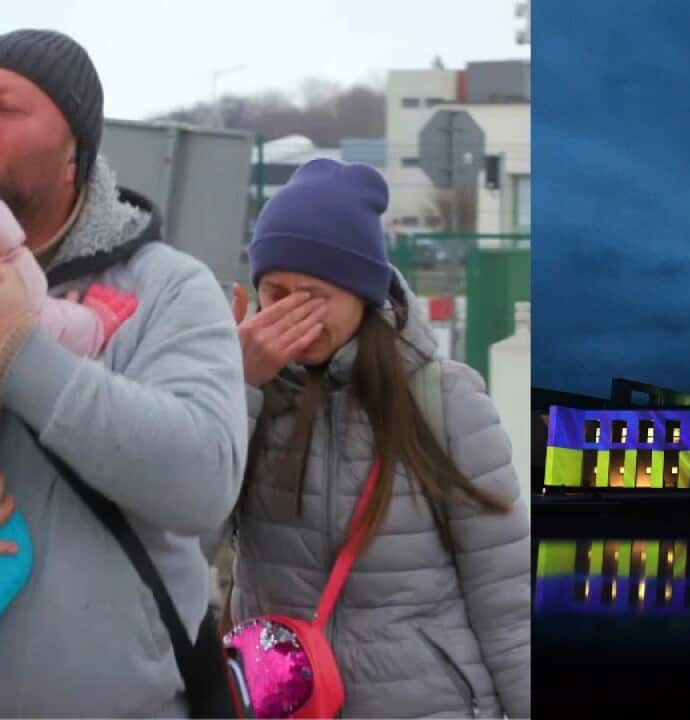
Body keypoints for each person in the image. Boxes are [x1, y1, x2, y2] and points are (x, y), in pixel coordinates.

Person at [0, 23, 248, 718]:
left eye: (5, 109)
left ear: (76, 156)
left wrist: (16, 354)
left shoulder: (166, 289)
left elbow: (204, 481)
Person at [226, 158, 531, 718]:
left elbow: (508, 599)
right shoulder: (243, 394)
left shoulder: (445, 400)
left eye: (314, 294)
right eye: (276, 292)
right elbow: (182, 539)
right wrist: (233, 388)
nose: (293, 312)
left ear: (361, 294)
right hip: (288, 702)